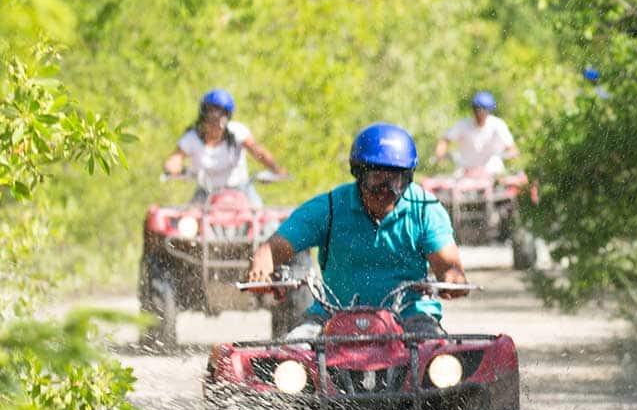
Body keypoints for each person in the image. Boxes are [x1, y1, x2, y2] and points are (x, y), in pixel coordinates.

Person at [245, 122, 468, 337]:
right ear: (359, 175)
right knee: (292, 355)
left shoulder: (425, 210)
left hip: (411, 317)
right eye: (376, 179)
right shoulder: (329, 208)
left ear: (408, 179)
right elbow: (274, 248)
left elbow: (449, 267)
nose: (385, 190)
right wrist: (262, 267)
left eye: (395, 181)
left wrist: (454, 280)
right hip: (332, 316)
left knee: (437, 358)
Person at [161, 88, 286, 205]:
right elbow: (175, 159)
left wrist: (275, 169)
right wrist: (173, 168)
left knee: (264, 221)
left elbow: (258, 152)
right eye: (210, 119)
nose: (214, 126)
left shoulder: (237, 132)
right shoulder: (192, 138)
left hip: (241, 190)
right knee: (187, 221)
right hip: (206, 193)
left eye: (219, 121)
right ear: (202, 118)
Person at [431, 91, 518, 175]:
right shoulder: (463, 124)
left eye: (483, 111)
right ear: (473, 110)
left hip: (492, 170)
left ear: (489, 111)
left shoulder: (497, 125)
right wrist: (441, 155)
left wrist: (508, 156)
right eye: (477, 110)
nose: (480, 113)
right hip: (465, 169)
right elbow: (445, 140)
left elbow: (512, 148)